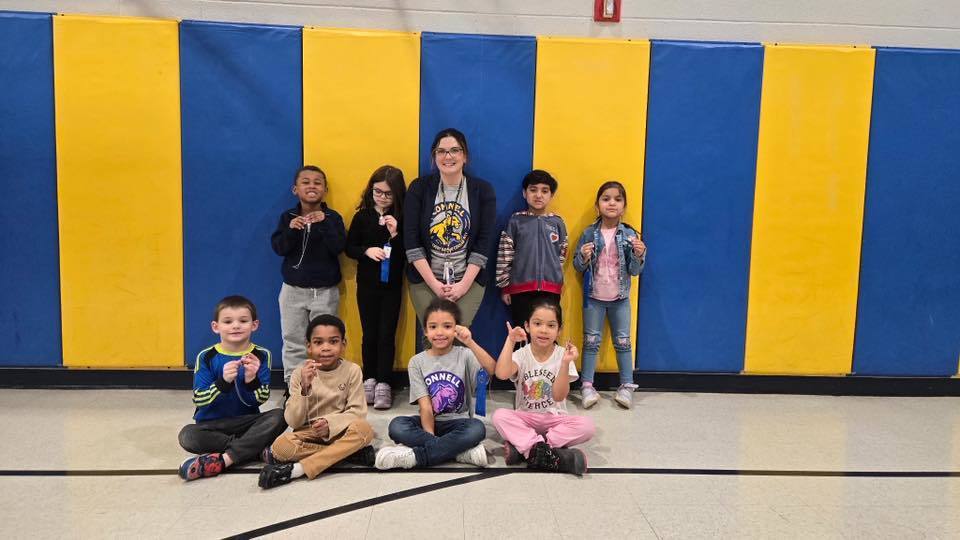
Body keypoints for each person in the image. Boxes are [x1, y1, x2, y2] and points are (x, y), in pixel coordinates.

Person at [374, 299, 495, 469]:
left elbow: (491, 369)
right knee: (397, 426)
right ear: (425, 331)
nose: (439, 332)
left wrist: (470, 342)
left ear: (456, 329)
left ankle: (417, 457)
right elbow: (425, 407)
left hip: (459, 423)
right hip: (428, 423)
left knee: (477, 428)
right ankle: (460, 452)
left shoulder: (465, 355)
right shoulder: (417, 362)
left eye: (447, 326)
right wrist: (431, 438)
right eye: (433, 327)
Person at [258, 314, 375, 489]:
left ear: (343, 344)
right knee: (281, 447)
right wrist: (305, 387)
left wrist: (330, 424)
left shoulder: (353, 370)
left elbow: (357, 412)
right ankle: (348, 454)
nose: (326, 348)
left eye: (333, 341)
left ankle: (298, 469)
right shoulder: (299, 373)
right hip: (309, 434)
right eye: (318, 342)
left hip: (340, 431)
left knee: (364, 429)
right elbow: (293, 421)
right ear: (309, 346)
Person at [178, 295, 287, 481]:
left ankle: (226, 458)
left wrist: (252, 380)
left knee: (280, 415)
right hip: (212, 425)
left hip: (246, 422)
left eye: (243, 321)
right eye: (228, 321)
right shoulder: (206, 356)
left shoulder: (262, 355)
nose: (236, 326)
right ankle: (252, 449)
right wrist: (223, 382)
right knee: (187, 435)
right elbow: (199, 399)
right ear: (216, 327)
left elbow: (261, 398)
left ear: (254, 325)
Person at [402, 128, 497, 328]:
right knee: (433, 337)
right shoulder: (419, 188)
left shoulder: (482, 190)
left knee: (458, 335)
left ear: (465, 156)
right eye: (441, 151)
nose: (448, 156)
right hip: (425, 281)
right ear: (434, 156)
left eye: (455, 150)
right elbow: (411, 240)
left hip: (468, 281)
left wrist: (462, 286)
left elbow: (484, 242)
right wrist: (434, 284)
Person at [491, 300, 593, 475]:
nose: (544, 330)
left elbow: (559, 396)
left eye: (551, 325)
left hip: (555, 419)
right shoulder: (522, 354)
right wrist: (510, 341)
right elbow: (501, 373)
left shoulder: (563, 355)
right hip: (526, 417)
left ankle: (528, 449)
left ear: (559, 330)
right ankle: (547, 452)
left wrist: (565, 363)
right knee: (499, 416)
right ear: (527, 326)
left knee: (587, 426)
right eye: (537, 324)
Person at [573, 181, 647, 409]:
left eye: (617, 199)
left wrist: (639, 255)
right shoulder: (589, 233)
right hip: (594, 297)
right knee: (591, 341)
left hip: (620, 298)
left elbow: (634, 271)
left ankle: (626, 386)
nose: (611, 203)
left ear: (624, 206)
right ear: (598, 206)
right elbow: (577, 266)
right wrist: (583, 256)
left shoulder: (630, 234)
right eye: (606, 199)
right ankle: (587, 386)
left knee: (623, 342)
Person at [271, 165, 346, 383]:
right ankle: (294, 385)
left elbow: (339, 247)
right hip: (292, 290)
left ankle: (324, 385)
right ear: (295, 189)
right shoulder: (288, 217)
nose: (312, 186)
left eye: (317, 183)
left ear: (325, 189)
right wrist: (291, 230)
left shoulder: (332, 217)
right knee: (293, 340)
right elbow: (279, 248)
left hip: (325, 291)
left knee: (325, 341)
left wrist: (324, 224)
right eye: (305, 182)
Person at [345, 165, 407, 409]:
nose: (381, 197)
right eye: (377, 191)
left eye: (388, 194)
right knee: (369, 333)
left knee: (386, 334)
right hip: (367, 285)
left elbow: (407, 253)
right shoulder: (362, 216)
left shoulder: (402, 218)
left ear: (397, 194)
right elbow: (349, 247)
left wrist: (395, 234)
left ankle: (384, 382)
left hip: (392, 287)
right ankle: (369, 378)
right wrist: (366, 251)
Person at [496, 169, 568, 330]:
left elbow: (562, 254)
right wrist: (505, 287)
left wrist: (556, 281)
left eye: (545, 191)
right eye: (533, 190)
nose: (538, 195)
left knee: (546, 334)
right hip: (520, 290)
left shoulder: (557, 223)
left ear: (551, 195)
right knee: (522, 335)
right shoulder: (516, 221)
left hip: (550, 290)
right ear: (524, 193)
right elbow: (505, 254)